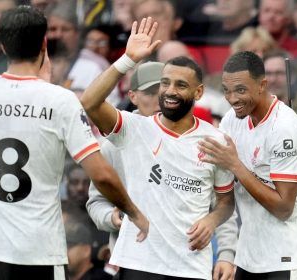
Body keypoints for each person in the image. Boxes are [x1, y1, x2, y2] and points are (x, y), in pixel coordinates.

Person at [0, 6, 148, 280]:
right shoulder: (59, 100)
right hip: (40, 249)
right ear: (43, 43)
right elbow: (100, 174)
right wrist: (134, 213)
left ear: (3, 46)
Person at [81, 17, 235, 280]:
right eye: (165, 83)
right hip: (139, 262)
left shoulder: (215, 140)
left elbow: (225, 203)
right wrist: (127, 60)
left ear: (199, 93)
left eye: (180, 85)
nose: (169, 91)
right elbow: (90, 102)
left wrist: (211, 222)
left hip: (191, 266)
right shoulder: (134, 128)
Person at [198, 51, 297, 279]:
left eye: (241, 90)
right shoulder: (232, 119)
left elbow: (283, 208)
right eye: (226, 90)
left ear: (262, 85)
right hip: (248, 256)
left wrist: (235, 164)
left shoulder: (284, 126)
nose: (232, 99)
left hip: (287, 256)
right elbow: (220, 184)